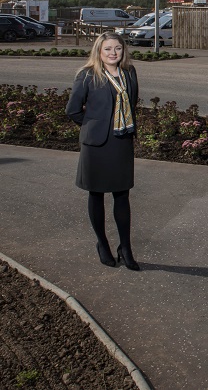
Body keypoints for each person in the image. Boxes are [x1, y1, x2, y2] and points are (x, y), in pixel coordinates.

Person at [65, 32, 140, 271]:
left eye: (117, 48)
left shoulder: (129, 73)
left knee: (122, 196)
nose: (113, 53)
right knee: (96, 195)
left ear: (123, 51)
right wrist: (95, 125)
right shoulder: (87, 75)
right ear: (99, 51)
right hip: (96, 145)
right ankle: (103, 244)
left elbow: (133, 101)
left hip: (121, 141)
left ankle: (125, 248)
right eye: (108, 49)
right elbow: (73, 110)